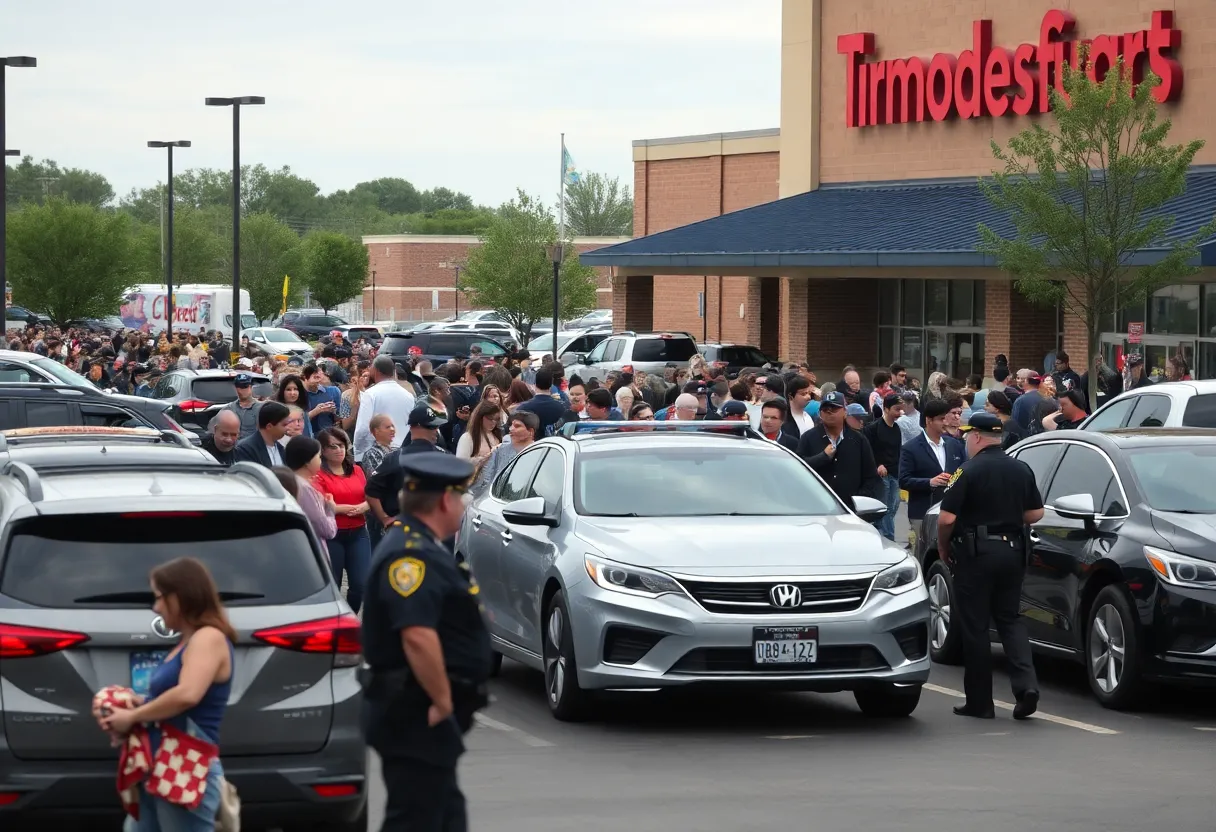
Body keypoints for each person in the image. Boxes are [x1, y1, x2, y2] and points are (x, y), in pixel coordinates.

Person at [360, 453, 492, 832]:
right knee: (417, 818)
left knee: (445, 815)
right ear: (444, 502)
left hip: (418, 712)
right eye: (462, 500)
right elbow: (416, 634)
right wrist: (442, 699)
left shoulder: (422, 545)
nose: (464, 509)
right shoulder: (411, 555)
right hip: (414, 710)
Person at [97, 557, 235, 830]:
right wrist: (138, 704)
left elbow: (187, 695)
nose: (155, 607)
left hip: (185, 766)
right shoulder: (186, 641)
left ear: (181, 597)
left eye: (160, 597)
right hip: (160, 764)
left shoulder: (208, 637)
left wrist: (133, 715)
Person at [937, 412, 1044, 721]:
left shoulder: (967, 471)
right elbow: (1035, 513)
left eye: (968, 436)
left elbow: (946, 519)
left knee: (976, 627)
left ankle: (980, 702)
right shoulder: (1020, 468)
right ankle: (1026, 687)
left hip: (976, 555)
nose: (967, 441)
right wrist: (1008, 516)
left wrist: (944, 546)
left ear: (977, 437)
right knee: (1010, 620)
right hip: (1013, 552)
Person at [313, 428, 372, 613]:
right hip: (333, 534)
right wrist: (348, 509)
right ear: (322, 450)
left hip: (359, 532)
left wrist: (365, 506)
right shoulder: (318, 474)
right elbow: (322, 504)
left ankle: (351, 617)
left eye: (342, 445)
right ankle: (333, 621)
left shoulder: (356, 470)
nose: (339, 450)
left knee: (360, 584)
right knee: (334, 583)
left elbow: (370, 496)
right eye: (333, 446)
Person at [797, 391, 880, 510]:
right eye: (825, 409)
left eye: (834, 408)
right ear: (820, 413)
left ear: (845, 412)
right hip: (816, 509)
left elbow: (871, 475)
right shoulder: (808, 438)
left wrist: (858, 501)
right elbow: (799, 470)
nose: (829, 412)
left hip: (850, 509)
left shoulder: (858, 439)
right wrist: (822, 457)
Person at [284, 435, 337, 557]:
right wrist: (330, 509)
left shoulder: (290, 481)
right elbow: (326, 529)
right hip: (311, 552)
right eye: (318, 457)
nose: (320, 460)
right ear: (308, 461)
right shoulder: (304, 488)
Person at [233, 401, 291, 468]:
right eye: (284, 425)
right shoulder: (246, 449)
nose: (288, 428)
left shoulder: (281, 449)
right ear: (269, 426)